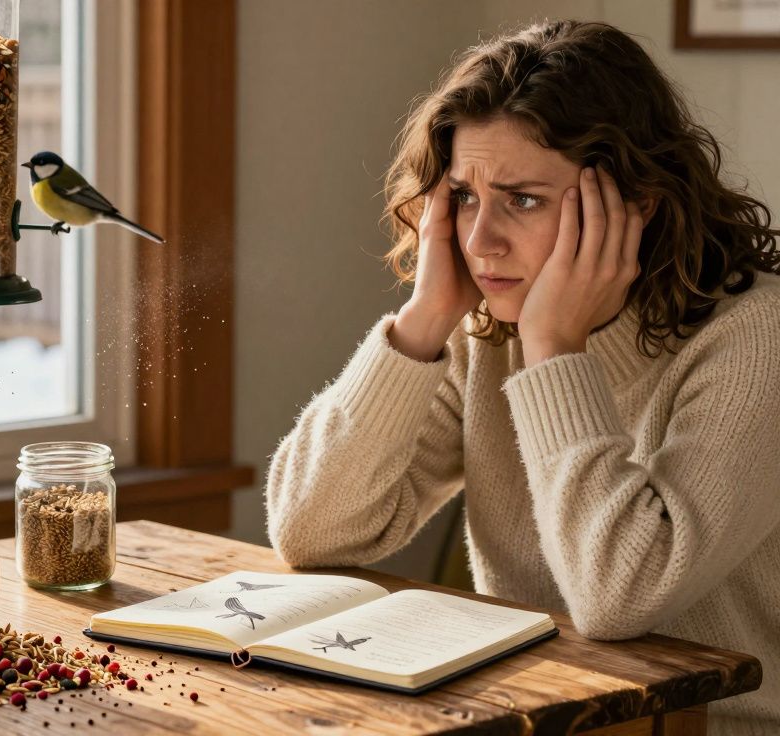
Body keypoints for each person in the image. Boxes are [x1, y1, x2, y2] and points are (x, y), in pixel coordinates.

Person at [264, 20, 780, 734]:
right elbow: (311, 531)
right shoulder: (487, 328)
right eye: (465, 197)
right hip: (527, 718)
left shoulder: (754, 337)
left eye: (524, 199)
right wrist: (424, 319)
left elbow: (620, 597)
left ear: (638, 204)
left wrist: (556, 350)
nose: (480, 242)